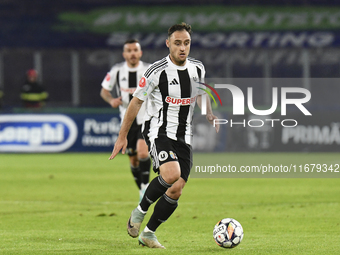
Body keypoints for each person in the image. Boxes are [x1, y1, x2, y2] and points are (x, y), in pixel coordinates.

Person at [109, 23, 219, 249]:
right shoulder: (155, 71)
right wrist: (123, 136)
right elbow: (136, 102)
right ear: (168, 43)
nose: (182, 48)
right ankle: (139, 212)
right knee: (171, 173)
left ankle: (148, 233)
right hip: (158, 130)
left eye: (186, 43)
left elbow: (200, 92)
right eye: (177, 43)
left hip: (184, 136)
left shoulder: (198, 68)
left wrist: (208, 112)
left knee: (177, 188)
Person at [100, 39, 151, 201]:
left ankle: (145, 187)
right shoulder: (117, 71)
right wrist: (111, 101)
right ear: (124, 54)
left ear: (140, 53)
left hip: (146, 118)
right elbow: (104, 91)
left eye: (135, 50)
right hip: (127, 122)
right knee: (134, 160)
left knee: (143, 151)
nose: (132, 53)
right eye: (129, 51)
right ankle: (142, 191)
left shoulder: (149, 70)